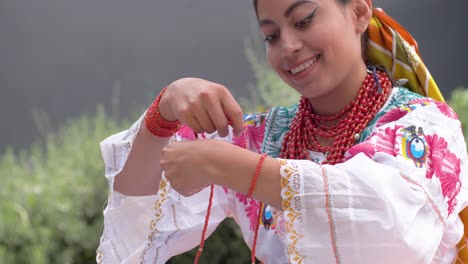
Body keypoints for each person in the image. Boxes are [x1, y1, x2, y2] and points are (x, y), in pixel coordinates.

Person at [96, 0, 468, 263]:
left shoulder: (427, 127)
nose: (288, 45)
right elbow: (137, 214)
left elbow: (387, 230)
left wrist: (231, 168)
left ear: (358, 11)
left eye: (304, 19)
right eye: (271, 36)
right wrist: (166, 108)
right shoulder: (263, 138)